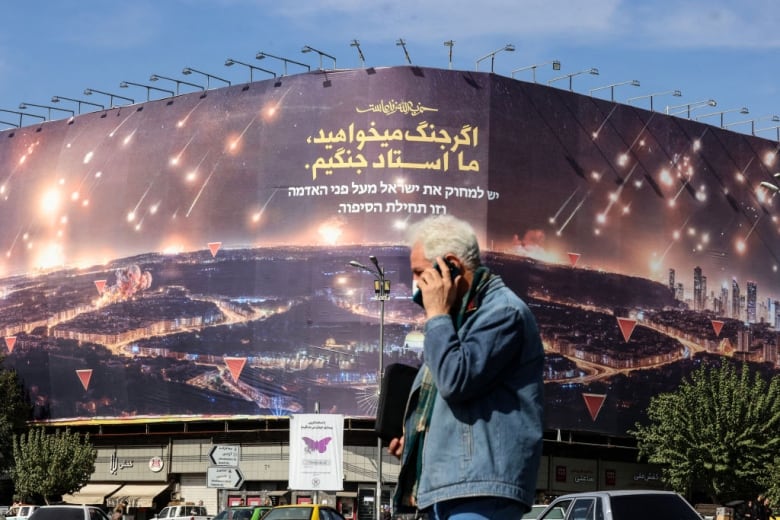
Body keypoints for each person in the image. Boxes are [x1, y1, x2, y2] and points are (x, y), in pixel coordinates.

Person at [388, 215, 545, 520]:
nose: (416, 286)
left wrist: (436, 315)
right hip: (451, 488)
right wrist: (418, 440)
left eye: (420, 273)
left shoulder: (502, 313)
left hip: (481, 490)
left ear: (451, 265)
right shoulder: (458, 321)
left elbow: (454, 380)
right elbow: (449, 403)